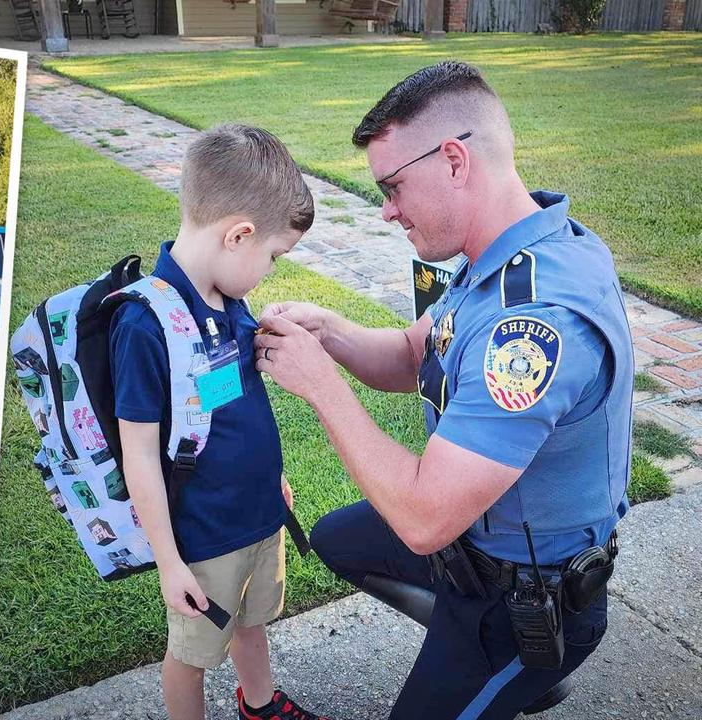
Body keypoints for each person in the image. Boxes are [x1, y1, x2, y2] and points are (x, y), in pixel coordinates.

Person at [254, 61, 632, 719]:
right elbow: (414, 355)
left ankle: (518, 669)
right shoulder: (507, 248)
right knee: (339, 539)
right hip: (474, 550)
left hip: (527, 601)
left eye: (393, 186)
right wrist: (331, 332)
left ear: (455, 161)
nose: (387, 211)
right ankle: (484, 673)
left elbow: (424, 519)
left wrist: (321, 387)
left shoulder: (533, 328)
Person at [112, 124, 324, 720]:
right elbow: (139, 455)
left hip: (259, 513)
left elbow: (233, 406)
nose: (271, 270)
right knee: (193, 655)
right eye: (274, 257)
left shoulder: (229, 300)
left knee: (252, 622)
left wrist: (271, 480)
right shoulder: (144, 326)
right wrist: (168, 562)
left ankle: (260, 703)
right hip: (204, 537)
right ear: (238, 235)